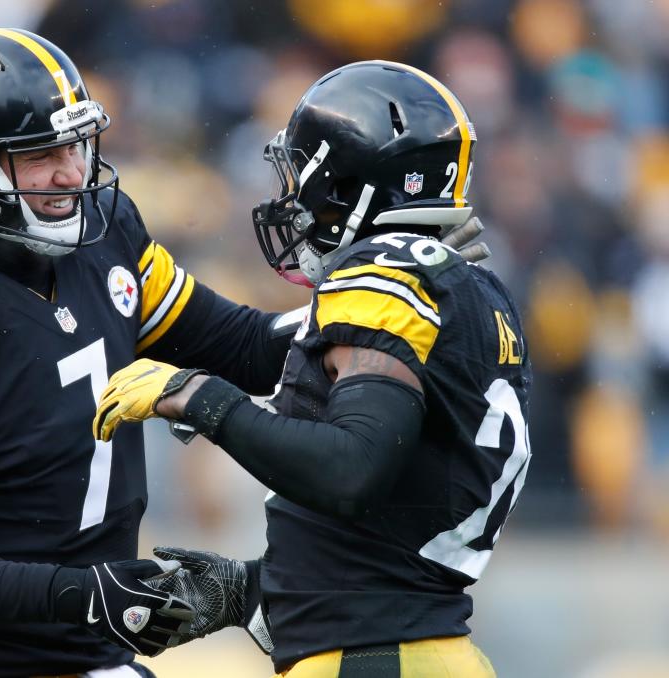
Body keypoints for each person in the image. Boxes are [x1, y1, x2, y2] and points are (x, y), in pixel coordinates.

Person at [0, 27, 309, 677]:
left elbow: (244, 348)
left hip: (97, 658)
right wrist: (83, 596)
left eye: (76, 143)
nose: (73, 171)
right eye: (40, 152)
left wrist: (374, 313)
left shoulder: (104, 236)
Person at [94, 60, 531, 677]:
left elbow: (351, 468)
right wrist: (247, 591)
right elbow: (245, 343)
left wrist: (198, 399)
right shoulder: (467, 292)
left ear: (347, 182)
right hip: (412, 651)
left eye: (302, 175)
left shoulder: (384, 281)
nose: (291, 196)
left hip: (375, 661)